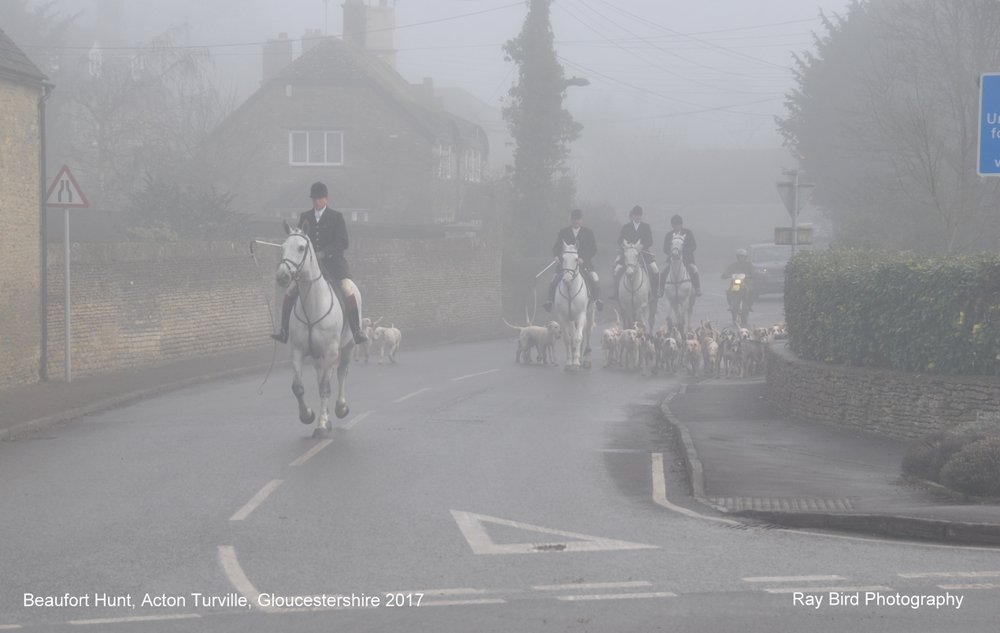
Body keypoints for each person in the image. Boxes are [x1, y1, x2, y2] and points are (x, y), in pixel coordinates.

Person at [271, 181, 368, 345]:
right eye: (314, 198)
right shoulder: (305, 217)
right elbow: (299, 240)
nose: (317, 201)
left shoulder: (336, 217)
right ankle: (284, 331)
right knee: (290, 291)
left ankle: (356, 331)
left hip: (333, 265)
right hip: (309, 267)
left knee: (348, 289)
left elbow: (343, 242)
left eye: (320, 198)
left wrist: (323, 253)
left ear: (326, 199)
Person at [543, 208, 603, 312]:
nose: (576, 221)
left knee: (594, 278)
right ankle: (550, 301)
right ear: (571, 220)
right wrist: (556, 255)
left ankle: (597, 300)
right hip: (566, 265)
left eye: (578, 219)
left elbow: (593, 249)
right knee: (554, 279)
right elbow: (556, 247)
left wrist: (583, 258)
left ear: (581, 220)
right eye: (574, 219)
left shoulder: (588, 232)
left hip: (584, 264)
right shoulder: (563, 232)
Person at [612, 205, 660, 300]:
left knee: (655, 269)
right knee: (617, 269)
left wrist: (642, 246)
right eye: (636, 215)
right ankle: (616, 292)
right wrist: (625, 245)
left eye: (640, 215)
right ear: (632, 216)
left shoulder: (646, 226)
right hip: (628, 253)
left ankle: (655, 291)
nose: (638, 217)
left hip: (643, 252)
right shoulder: (626, 227)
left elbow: (650, 241)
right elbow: (619, 240)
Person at [663, 214, 702, 297]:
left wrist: (683, 253)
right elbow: (665, 248)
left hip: (687, 259)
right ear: (672, 225)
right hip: (672, 259)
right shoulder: (669, 235)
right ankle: (660, 289)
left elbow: (693, 245)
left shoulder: (688, 233)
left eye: (678, 225)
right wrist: (672, 253)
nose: (676, 227)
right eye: (674, 225)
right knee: (663, 272)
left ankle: (697, 288)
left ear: (681, 224)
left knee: (694, 270)